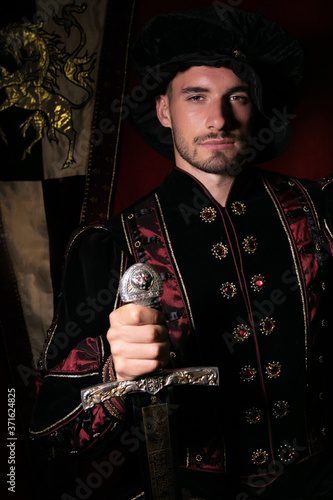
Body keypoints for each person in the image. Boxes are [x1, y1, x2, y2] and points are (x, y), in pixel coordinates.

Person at [30, 6, 333, 499]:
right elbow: (51, 429)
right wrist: (116, 374)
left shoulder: (319, 210)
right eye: (196, 97)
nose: (218, 118)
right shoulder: (113, 246)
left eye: (236, 97)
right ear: (165, 110)